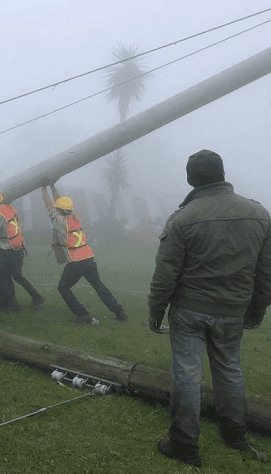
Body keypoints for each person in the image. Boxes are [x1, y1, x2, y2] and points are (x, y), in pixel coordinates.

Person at [148, 150, 271, 468]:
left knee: (187, 375)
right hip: (233, 311)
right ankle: (235, 435)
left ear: (191, 178)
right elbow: (266, 271)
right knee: (230, 371)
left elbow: (166, 272)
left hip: (190, 311)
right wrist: (257, 310)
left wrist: (156, 310)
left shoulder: (183, 217)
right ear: (222, 173)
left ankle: (184, 446)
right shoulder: (258, 213)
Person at [41, 182, 127, 325]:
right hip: (89, 258)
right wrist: (52, 186)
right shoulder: (75, 217)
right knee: (99, 286)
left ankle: (82, 314)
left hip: (76, 261)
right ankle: (119, 312)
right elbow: (62, 202)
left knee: (63, 288)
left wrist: (43, 188)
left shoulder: (60, 221)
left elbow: (49, 204)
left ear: (59, 210)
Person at [0, 189, 45, 313]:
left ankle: (13, 305)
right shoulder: (8, 208)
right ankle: (36, 298)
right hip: (18, 247)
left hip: (8, 250)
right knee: (15, 275)